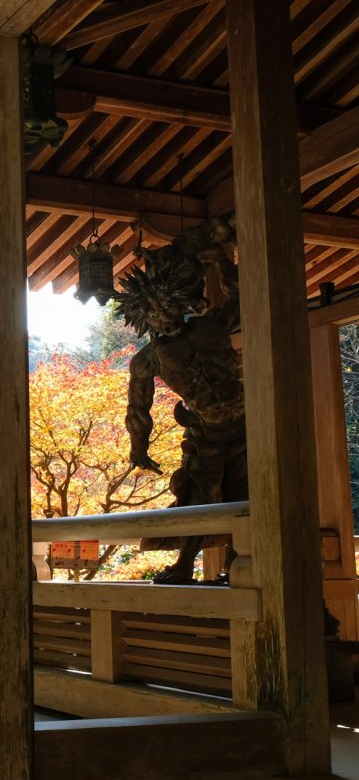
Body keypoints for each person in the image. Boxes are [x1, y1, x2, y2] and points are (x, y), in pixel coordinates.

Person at [115, 216, 246, 584]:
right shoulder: (149, 358)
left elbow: (241, 299)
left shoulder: (210, 325)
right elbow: (138, 408)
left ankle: (238, 563)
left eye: (169, 308)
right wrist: (137, 447)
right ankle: (186, 563)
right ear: (145, 318)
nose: (164, 317)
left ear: (180, 302)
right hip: (206, 431)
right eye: (155, 314)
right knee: (199, 493)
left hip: (248, 420)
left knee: (245, 493)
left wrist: (220, 261)